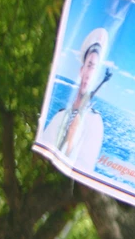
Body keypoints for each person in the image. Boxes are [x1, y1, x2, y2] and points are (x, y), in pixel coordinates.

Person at [39, 27, 109, 173]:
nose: (89, 74)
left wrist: (71, 141)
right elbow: (39, 161)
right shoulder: (59, 116)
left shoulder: (95, 122)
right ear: (81, 70)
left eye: (94, 68)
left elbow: (83, 172)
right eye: (89, 65)